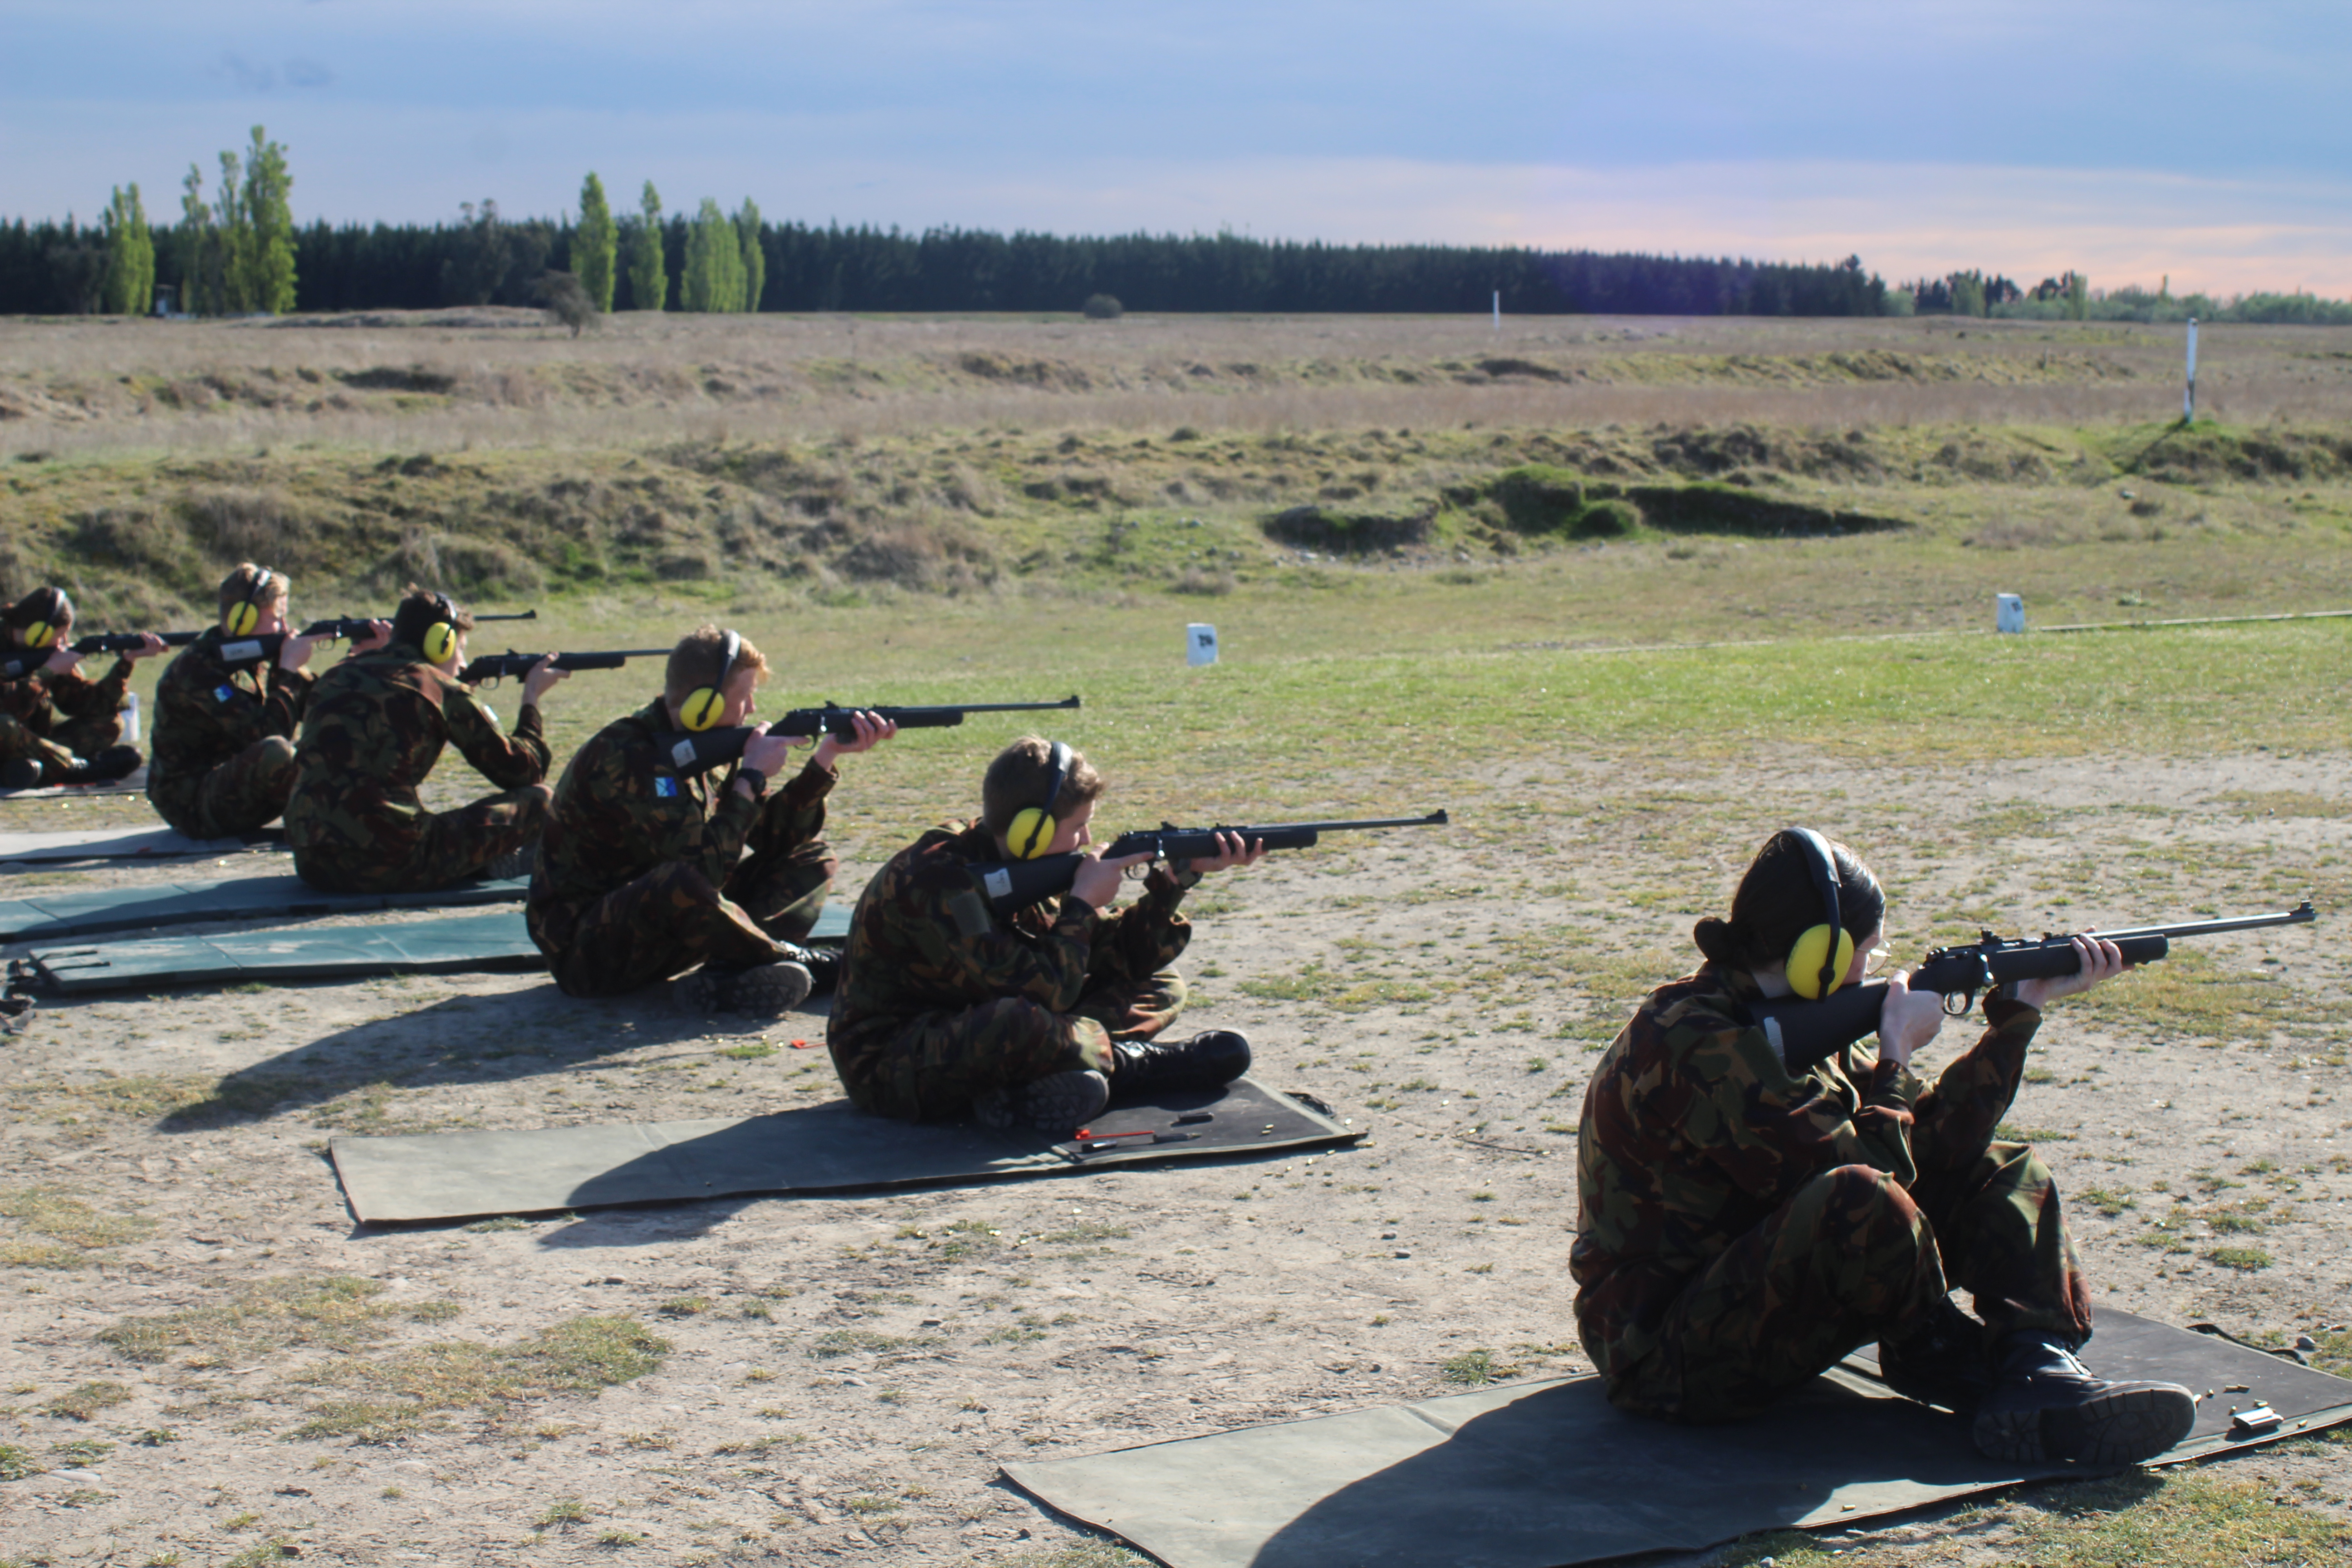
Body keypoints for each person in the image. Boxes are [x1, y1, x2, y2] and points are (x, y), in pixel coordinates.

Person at [1573, 827, 2198, 1467]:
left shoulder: (1793, 1012)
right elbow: (1866, 1181)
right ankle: (1962, 1368)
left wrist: (2017, 1019)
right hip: (1666, 1360)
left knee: (1999, 1167)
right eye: (1870, 950)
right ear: (1821, 952)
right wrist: (1897, 1053)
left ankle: (2038, 1363)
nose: (1875, 964)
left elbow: (1929, 1146)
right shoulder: (1696, 1041)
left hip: (1746, 1300)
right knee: (1862, 1195)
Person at [827, 735, 1263, 1132]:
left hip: (984, 1013)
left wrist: (1174, 882)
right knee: (1014, 1023)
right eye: (1077, 827)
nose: (1087, 839)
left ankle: (1048, 1074)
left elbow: (1107, 954)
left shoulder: (1014, 863)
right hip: (892, 1062)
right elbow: (1044, 993)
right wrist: (1082, 904)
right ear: (1028, 832)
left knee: (1158, 982)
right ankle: (1132, 1066)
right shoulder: (940, 882)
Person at [527, 624, 895, 1015]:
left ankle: (729, 976)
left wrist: (824, 760)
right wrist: (751, 779)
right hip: (589, 955)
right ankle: (798, 962)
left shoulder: (703, 747)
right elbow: (701, 874)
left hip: (661, 926)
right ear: (705, 705)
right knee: (680, 879)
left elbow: (774, 839)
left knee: (810, 857)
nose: (752, 709)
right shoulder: (631, 755)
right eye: (746, 696)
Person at [284, 586, 560, 893]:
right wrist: (531, 699)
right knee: (541, 799)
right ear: (441, 643)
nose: (463, 663)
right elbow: (523, 771)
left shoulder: (334, 676)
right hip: (393, 863)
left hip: (312, 863)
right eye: (460, 648)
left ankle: (478, 862)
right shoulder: (440, 689)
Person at [147, 564, 390, 838]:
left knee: (338, 734)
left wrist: (361, 660)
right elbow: (266, 735)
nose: (286, 628)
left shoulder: (258, 655)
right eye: (278, 617)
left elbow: (329, 705)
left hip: (236, 786)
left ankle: (355, 818)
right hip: (191, 804)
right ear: (243, 619)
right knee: (277, 751)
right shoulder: (196, 670)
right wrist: (287, 672)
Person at [0, 586, 163, 789]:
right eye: (62, 635)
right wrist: (46, 674)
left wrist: (127, 662)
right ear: (39, 633)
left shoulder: (46, 652)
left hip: (31, 743)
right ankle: (74, 769)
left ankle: (31, 770)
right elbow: (8, 707)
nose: (65, 642)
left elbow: (86, 705)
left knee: (109, 724)